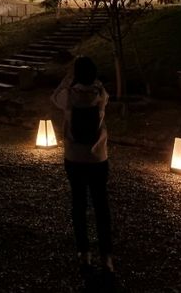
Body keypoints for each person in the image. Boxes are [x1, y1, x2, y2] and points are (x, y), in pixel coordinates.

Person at [51, 55, 113, 276]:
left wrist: (69, 77)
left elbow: (54, 96)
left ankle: (84, 253)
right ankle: (106, 257)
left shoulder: (69, 96)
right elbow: (105, 95)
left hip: (74, 157)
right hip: (98, 157)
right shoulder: (100, 94)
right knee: (101, 206)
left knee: (78, 204)